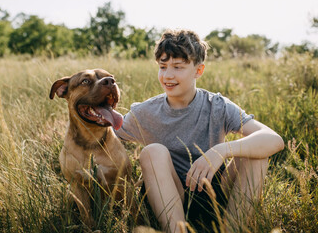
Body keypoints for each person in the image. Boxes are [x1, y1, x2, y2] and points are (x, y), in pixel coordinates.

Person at [115, 29, 284, 233]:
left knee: (256, 155)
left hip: (214, 191)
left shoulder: (218, 105)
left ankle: (231, 229)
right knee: (152, 152)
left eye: (178, 67)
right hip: (169, 199)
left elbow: (274, 140)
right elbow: (105, 138)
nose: (168, 75)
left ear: (198, 70)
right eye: (163, 66)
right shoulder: (145, 112)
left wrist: (221, 150)